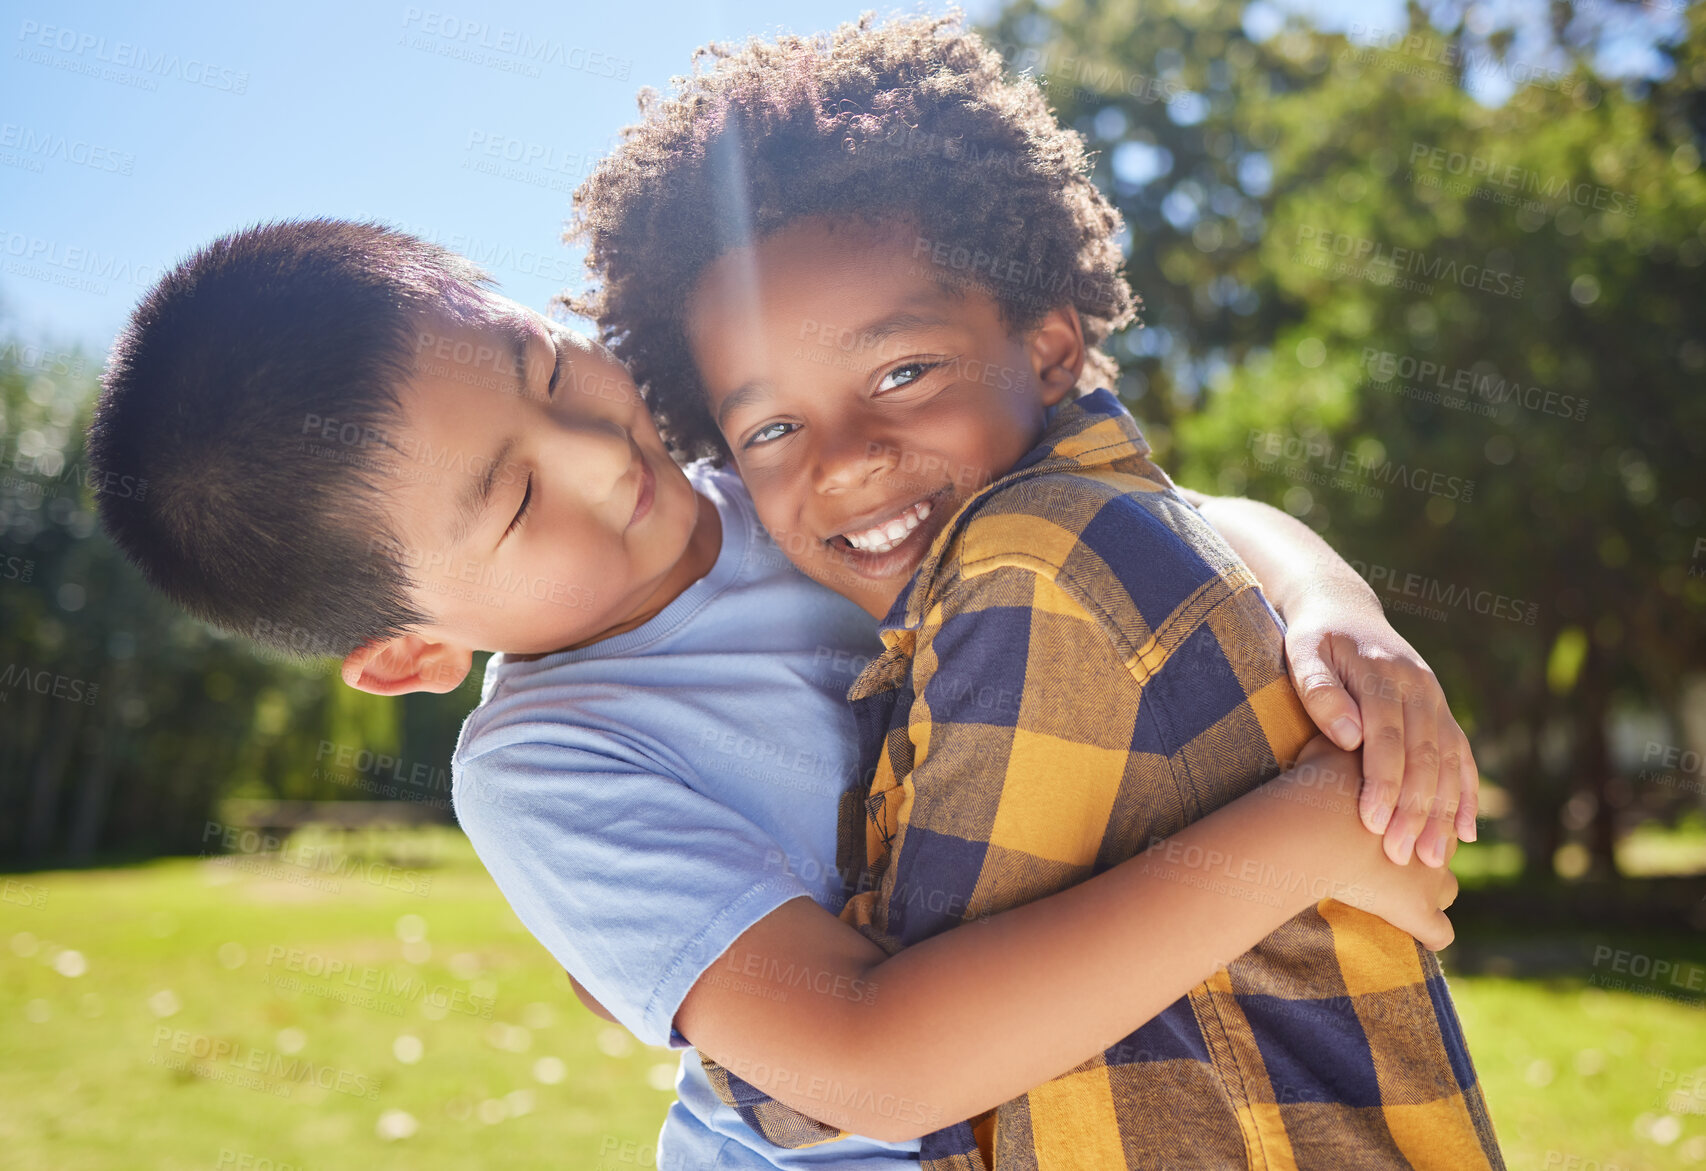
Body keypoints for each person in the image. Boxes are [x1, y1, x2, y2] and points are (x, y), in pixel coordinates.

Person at [89, 218, 1459, 1170]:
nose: (595, 452)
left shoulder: (794, 472)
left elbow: (1156, 519)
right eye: (511, 498)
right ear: (407, 654)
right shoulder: (548, 759)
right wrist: (1304, 838)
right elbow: (877, 1056)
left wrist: (1336, 603)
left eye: (547, 364)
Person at [567, 14, 1502, 1167]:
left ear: (1052, 349)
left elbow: (853, 1075)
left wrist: (659, 968)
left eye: (901, 371)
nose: (845, 456)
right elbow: (1198, 506)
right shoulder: (1069, 536)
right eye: (769, 425)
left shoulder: (1027, 579)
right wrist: (1333, 597)